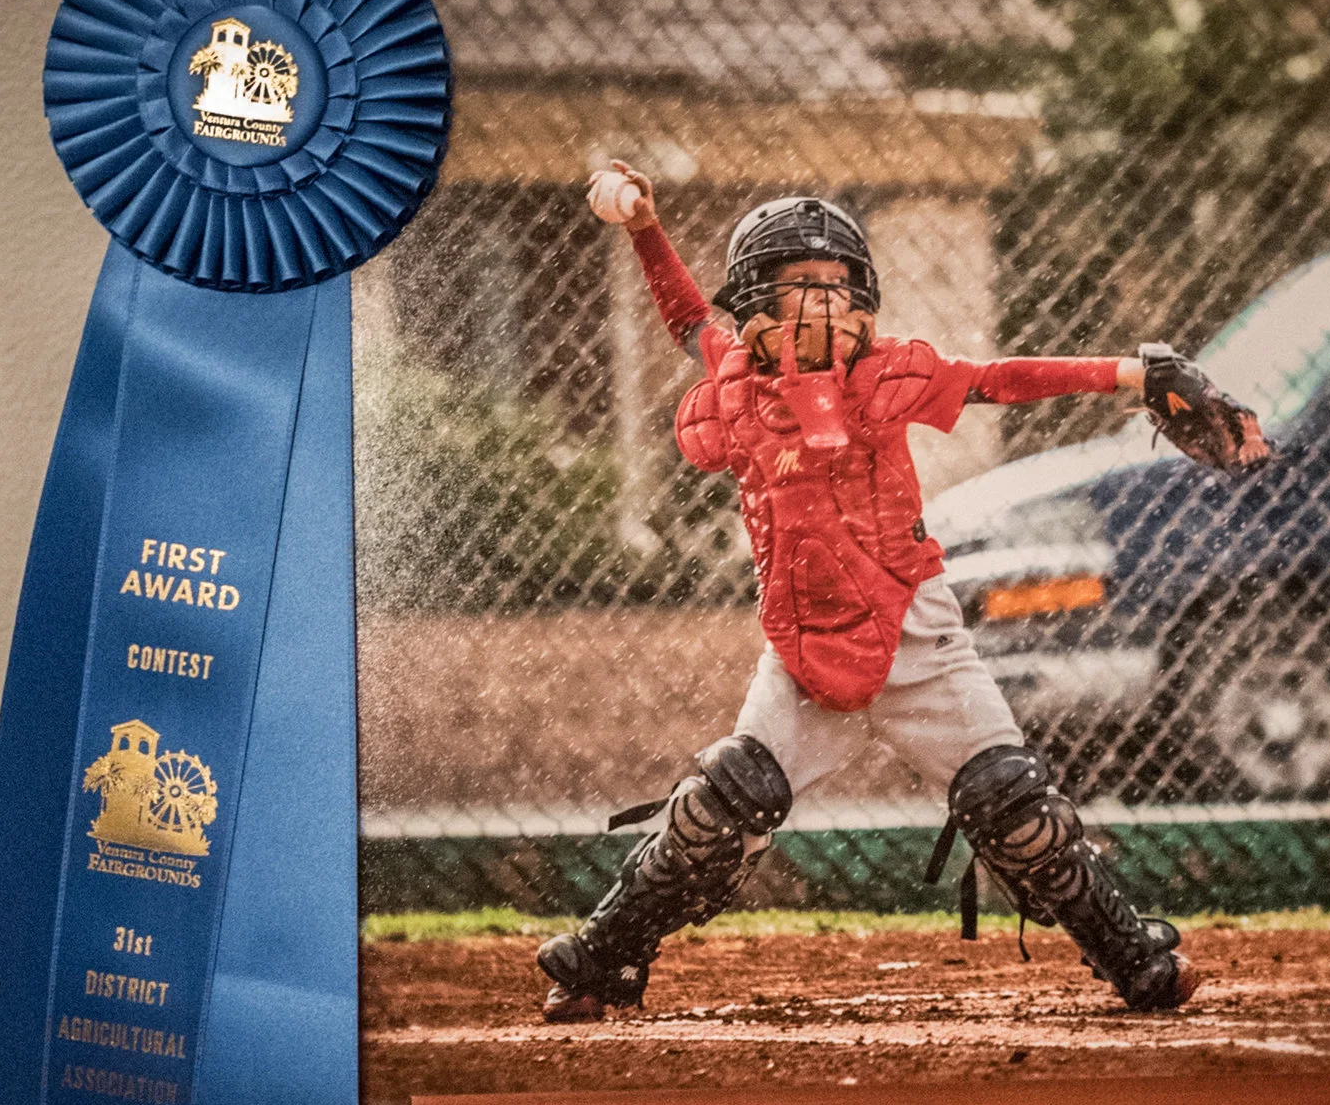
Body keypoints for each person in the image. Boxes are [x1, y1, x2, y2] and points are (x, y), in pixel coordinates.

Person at [536, 161, 1271, 1023]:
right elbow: (686, 315)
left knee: (1017, 808)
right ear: (753, 304)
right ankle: (605, 958)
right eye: (793, 284)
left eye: (833, 286)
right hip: (807, 648)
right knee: (720, 804)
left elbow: (1002, 376)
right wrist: (643, 229)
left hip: (917, 636)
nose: (817, 304)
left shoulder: (890, 374)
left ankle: (1132, 958)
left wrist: (1131, 373)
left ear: (864, 305)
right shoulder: (734, 377)